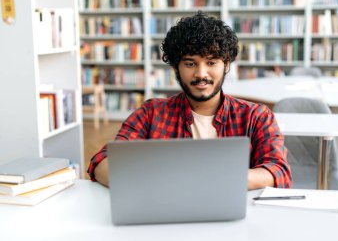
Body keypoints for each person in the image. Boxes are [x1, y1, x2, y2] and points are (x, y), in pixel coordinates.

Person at [87, 11, 292, 189]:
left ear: (226, 65)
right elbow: (101, 162)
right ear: (176, 68)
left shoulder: (256, 116)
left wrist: (214, 180)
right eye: (190, 63)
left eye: (211, 62)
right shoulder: (152, 113)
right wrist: (156, 181)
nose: (201, 74)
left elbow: (278, 171)